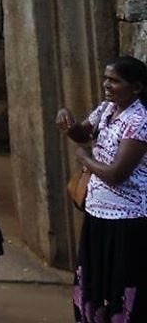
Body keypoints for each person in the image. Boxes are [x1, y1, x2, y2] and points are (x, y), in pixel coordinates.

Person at [57, 55, 147, 323]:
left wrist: (85, 160)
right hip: (98, 214)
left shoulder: (139, 121)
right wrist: (69, 124)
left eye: (115, 81)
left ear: (137, 88)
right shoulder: (107, 109)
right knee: (97, 281)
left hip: (126, 220)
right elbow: (83, 134)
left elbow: (117, 174)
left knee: (121, 285)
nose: (107, 85)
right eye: (106, 79)